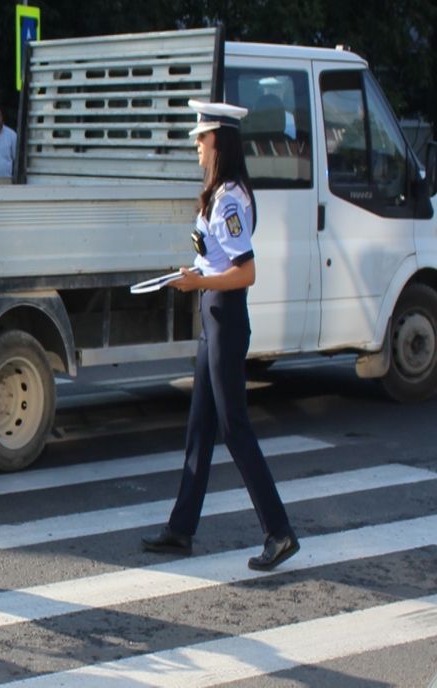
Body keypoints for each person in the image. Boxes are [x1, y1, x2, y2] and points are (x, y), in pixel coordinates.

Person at [140, 99, 300, 572]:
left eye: (201, 137)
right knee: (200, 427)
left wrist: (200, 281)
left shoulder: (229, 196)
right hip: (214, 315)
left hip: (226, 318)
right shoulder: (220, 191)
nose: (196, 144)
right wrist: (197, 272)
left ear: (219, 142)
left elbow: (246, 272)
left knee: (234, 428)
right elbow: (220, 259)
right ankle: (181, 529)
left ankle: (279, 531)